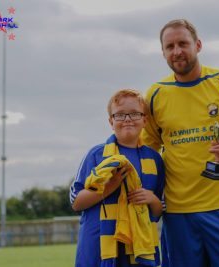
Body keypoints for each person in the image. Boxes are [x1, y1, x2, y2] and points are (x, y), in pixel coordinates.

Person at [141, 19, 219, 267]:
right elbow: (147, 152)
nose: (177, 51)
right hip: (178, 214)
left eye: (183, 43)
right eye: (170, 46)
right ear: (163, 52)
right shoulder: (155, 95)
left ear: (198, 45)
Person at [70, 89, 165, 267]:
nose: (127, 119)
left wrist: (151, 198)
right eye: (120, 115)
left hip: (138, 247)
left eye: (134, 114)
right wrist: (109, 188)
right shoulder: (96, 155)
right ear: (111, 121)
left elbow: (160, 210)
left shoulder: (155, 160)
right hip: (98, 245)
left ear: (145, 120)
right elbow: (76, 202)